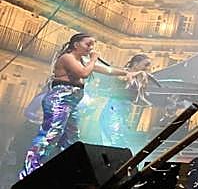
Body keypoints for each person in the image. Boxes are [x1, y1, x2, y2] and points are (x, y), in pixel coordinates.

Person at [18, 33, 128, 180]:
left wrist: (128, 72)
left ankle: (67, 172)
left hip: (72, 104)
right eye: (88, 44)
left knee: (72, 138)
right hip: (59, 100)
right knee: (51, 134)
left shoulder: (82, 61)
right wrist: (93, 59)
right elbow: (83, 73)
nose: (91, 48)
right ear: (76, 45)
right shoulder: (67, 58)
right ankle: (30, 172)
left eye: (93, 45)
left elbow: (108, 70)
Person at [94, 53, 154, 149]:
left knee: (118, 133)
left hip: (125, 107)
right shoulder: (122, 72)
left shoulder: (140, 77)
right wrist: (136, 74)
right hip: (115, 105)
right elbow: (122, 78)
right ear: (135, 64)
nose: (147, 68)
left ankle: (116, 152)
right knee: (112, 131)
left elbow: (139, 96)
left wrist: (147, 102)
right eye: (146, 65)